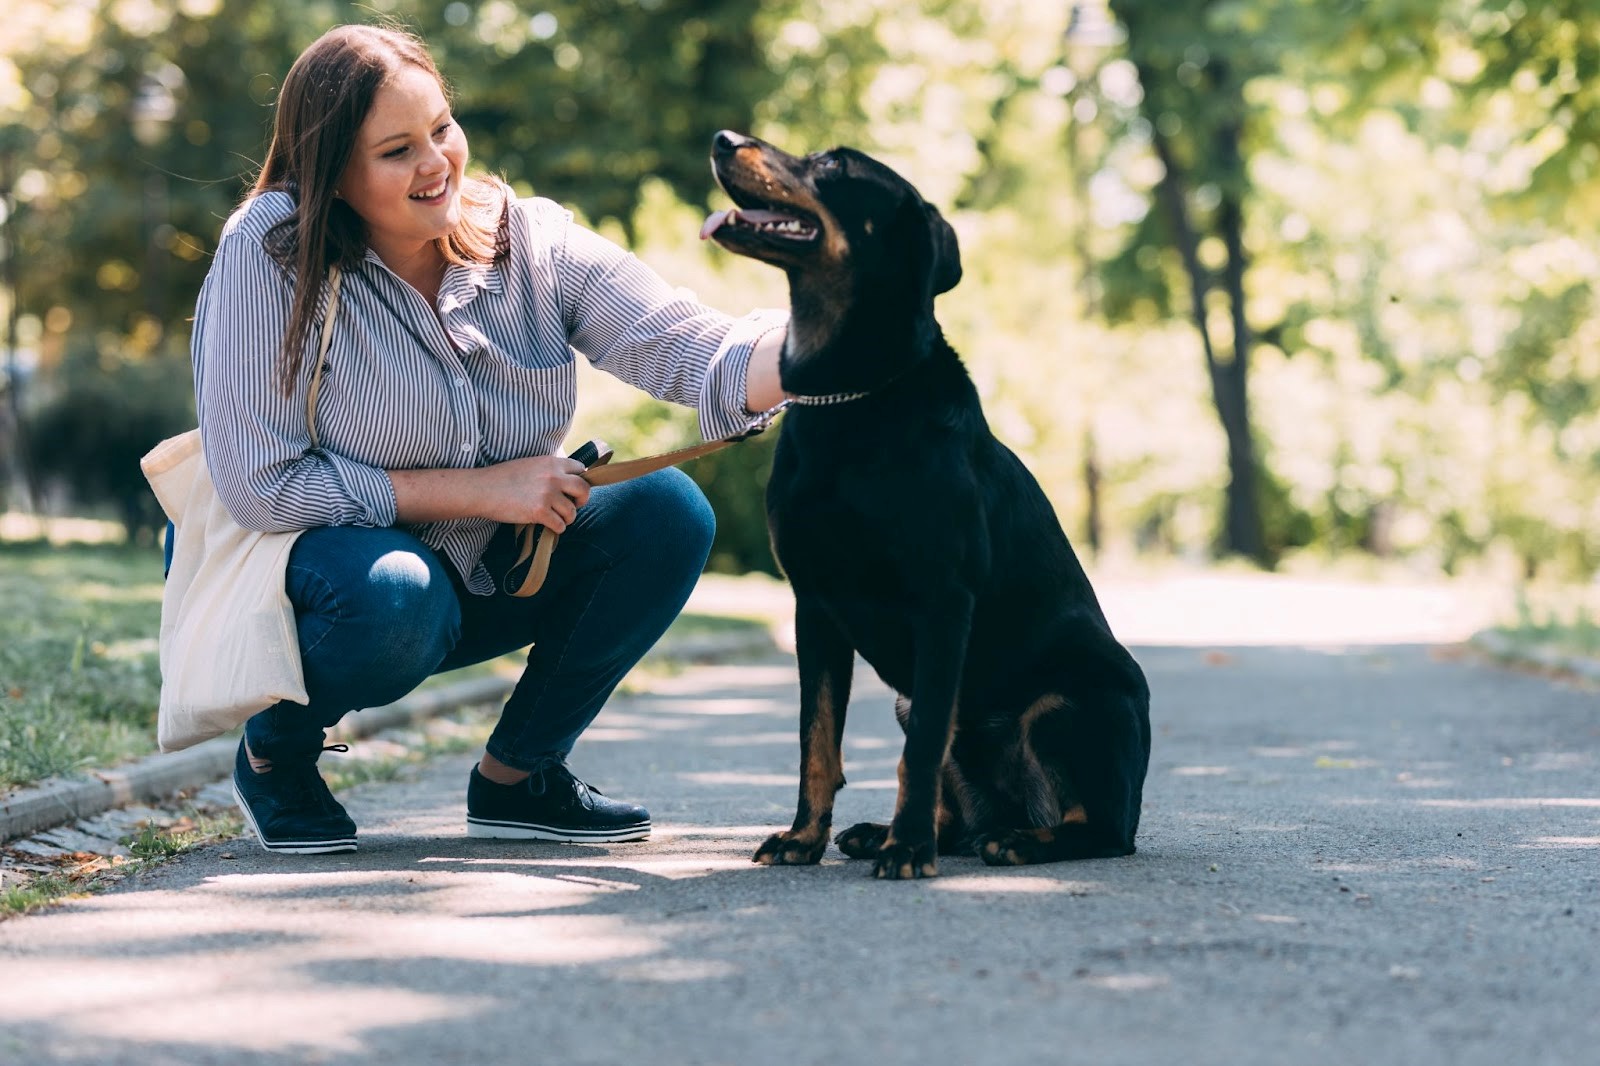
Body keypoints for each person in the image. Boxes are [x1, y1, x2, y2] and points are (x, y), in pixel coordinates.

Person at [191, 24, 788, 854]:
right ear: (332, 173)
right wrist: (478, 488)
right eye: (397, 150)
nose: (436, 162)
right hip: (339, 592)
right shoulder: (271, 251)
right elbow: (257, 482)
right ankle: (277, 751)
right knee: (397, 594)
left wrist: (821, 342)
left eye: (442, 128)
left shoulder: (529, 244)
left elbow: (695, 350)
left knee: (666, 513)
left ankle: (521, 778)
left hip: (483, 573)